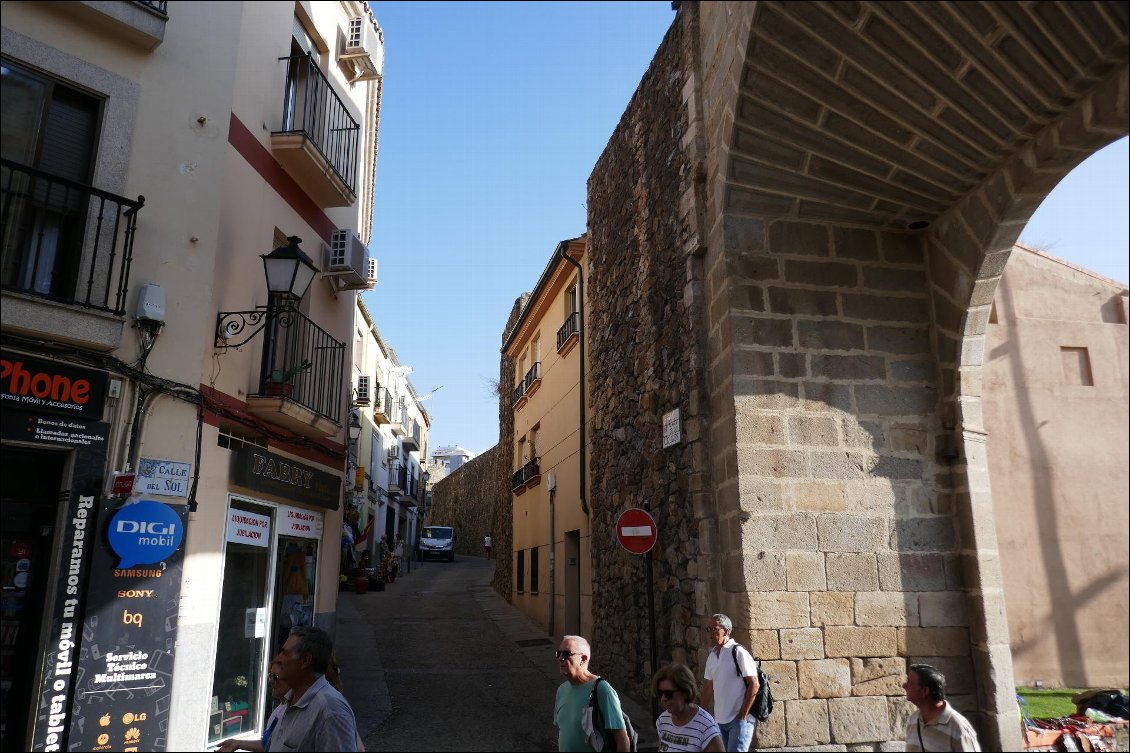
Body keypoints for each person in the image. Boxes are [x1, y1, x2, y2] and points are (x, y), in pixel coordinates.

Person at [266, 625, 360, 752]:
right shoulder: (289, 701)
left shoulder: (331, 710)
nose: (278, 659)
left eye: (285, 654)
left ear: (305, 660)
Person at [553, 635, 631, 752]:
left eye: (566, 654)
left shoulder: (602, 690)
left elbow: (622, 740)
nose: (560, 658)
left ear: (583, 659)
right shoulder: (561, 690)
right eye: (558, 654)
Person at [701, 613, 759, 752]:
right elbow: (709, 688)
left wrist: (743, 715)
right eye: (708, 629)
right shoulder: (712, 656)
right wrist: (699, 715)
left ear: (726, 631)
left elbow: (754, 684)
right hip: (719, 722)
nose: (710, 633)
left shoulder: (738, 652)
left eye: (714, 629)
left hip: (738, 721)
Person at [903, 664, 981, 752]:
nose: (904, 686)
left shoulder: (959, 728)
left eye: (909, 682)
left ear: (925, 691)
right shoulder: (914, 719)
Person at [216, 660, 290, 752]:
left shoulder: (293, 713)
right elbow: (266, 745)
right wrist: (237, 744)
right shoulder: (279, 710)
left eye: (276, 677)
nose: (270, 681)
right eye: (270, 676)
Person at [653, 663, 724, 752]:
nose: (663, 699)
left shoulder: (705, 727)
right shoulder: (663, 720)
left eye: (668, 694)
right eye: (660, 693)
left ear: (685, 691)